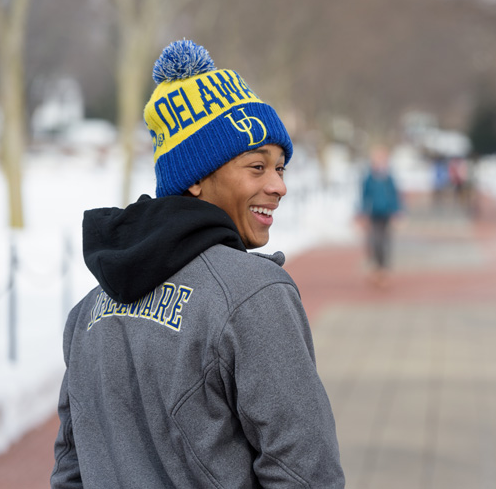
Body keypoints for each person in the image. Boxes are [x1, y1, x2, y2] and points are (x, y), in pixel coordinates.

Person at [51, 40, 345, 488]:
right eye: (256, 166)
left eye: (280, 168)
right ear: (195, 180)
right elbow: (306, 472)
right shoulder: (254, 294)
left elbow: (70, 471)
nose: (278, 186)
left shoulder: (89, 310)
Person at [359, 145, 402, 288]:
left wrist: (397, 212)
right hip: (373, 214)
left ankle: (383, 270)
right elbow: (364, 197)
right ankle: (376, 269)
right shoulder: (369, 178)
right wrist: (363, 213)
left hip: (386, 215)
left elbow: (394, 196)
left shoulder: (388, 178)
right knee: (373, 242)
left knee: (385, 242)